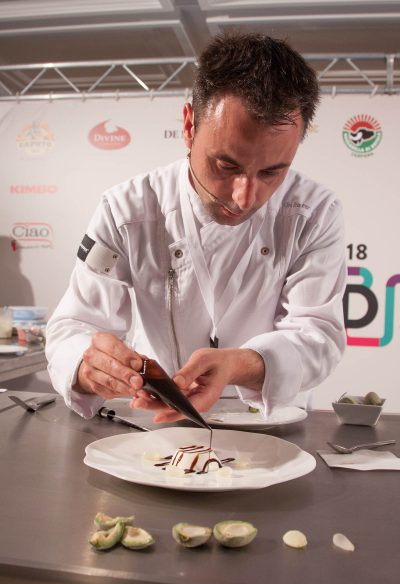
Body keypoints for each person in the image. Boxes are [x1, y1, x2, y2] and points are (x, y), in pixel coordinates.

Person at [46, 32, 346, 423]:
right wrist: (91, 367)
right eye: (227, 166)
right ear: (189, 126)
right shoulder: (126, 209)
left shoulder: (314, 212)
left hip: (268, 421)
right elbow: (75, 325)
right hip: (154, 419)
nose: (244, 198)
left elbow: (318, 335)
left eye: (272, 172)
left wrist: (239, 365)